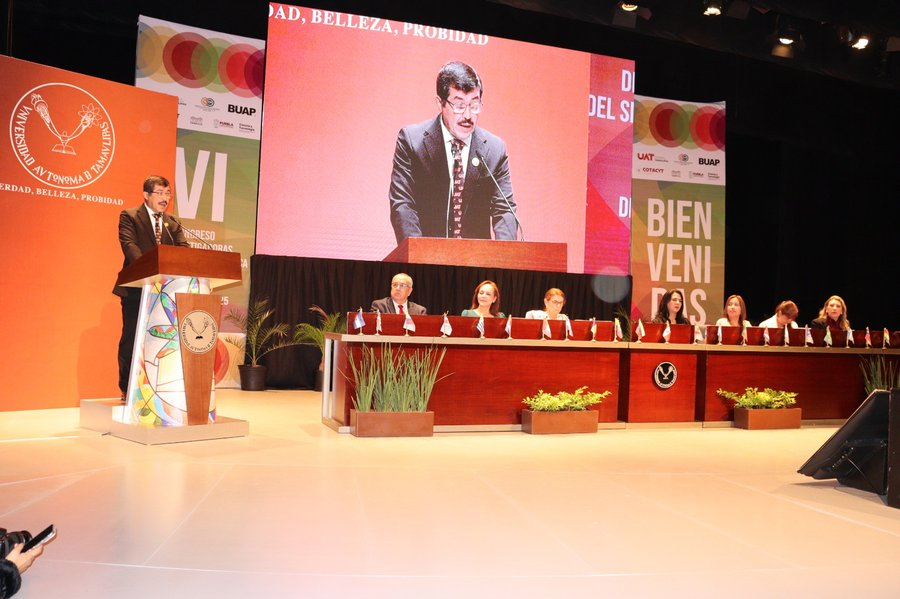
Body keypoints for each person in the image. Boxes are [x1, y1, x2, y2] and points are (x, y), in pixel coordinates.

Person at [389, 61, 517, 243]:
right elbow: (403, 205)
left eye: (474, 105)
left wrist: (505, 261)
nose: (467, 115)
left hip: (477, 264)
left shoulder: (494, 149)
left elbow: (504, 209)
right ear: (440, 104)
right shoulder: (412, 141)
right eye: (459, 105)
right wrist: (419, 258)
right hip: (427, 260)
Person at [113, 175, 189, 401]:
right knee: (132, 338)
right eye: (160, 193)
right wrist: (152, 271)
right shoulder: (129, 216)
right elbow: (130, 247)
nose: (165, 199)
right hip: (137, 290)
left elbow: (183, 250)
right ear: (146, 195)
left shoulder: (172, 223)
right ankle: (127, 388)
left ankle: (158, 389)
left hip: (166, 292)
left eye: (168, 194)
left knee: (158, 342)